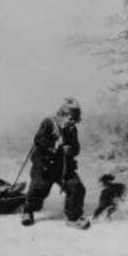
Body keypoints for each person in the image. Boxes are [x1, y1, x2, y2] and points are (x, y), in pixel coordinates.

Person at [21, 98, 90, 229]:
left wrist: (71, 150)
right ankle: (28, 211)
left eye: (75, 119)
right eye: (71, 118)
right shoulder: (49, 123)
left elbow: (76, 148)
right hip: (44, 166)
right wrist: (54, 146)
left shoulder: (72, 129)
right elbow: (38, 140)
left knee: (76, 187)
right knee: (38, 189)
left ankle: (73, 217)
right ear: (62, 115)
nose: (72, 122)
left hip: (63, 167)